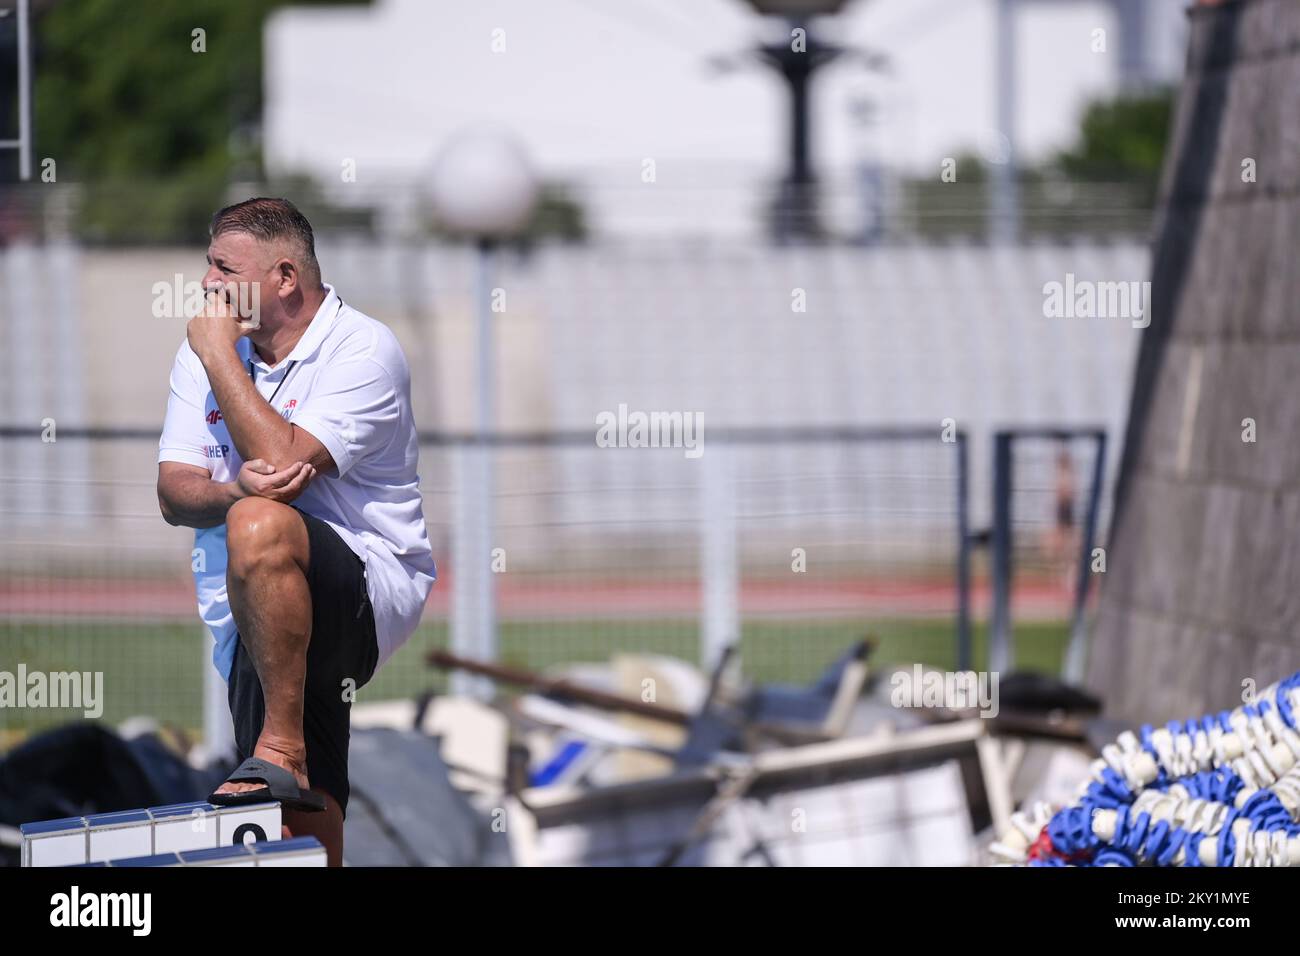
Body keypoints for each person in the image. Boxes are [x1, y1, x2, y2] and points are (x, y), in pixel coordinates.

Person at [155, 198, 436, 865]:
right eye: (208, 265)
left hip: (365, 587)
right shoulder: (207, 353)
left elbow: (283, 470)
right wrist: (229, 490)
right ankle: (292, 765)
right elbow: (174, 491)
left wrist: (220, 360)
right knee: (296, 815)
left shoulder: (362, 349)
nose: (209, 284)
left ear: (284, 277)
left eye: (225, 268)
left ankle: (278, 747)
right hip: (255, 593)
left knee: (259, 522)